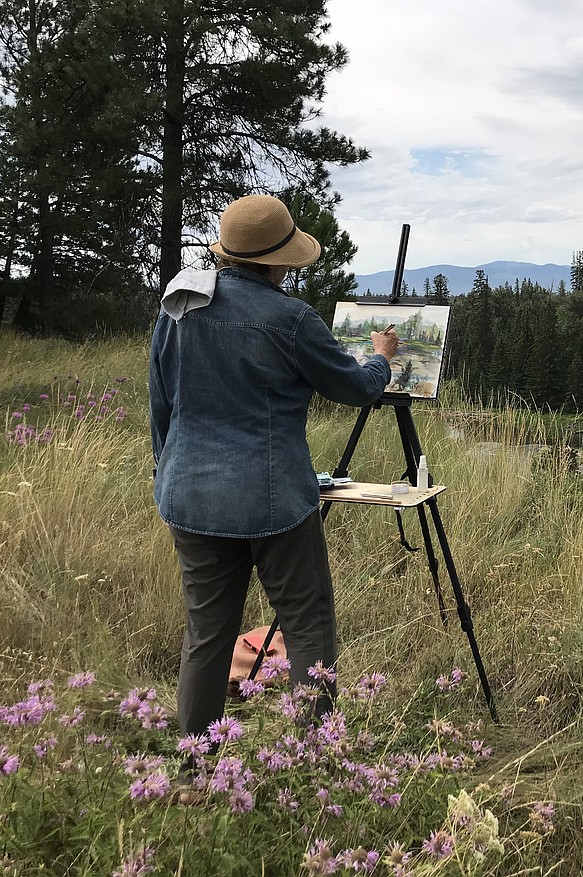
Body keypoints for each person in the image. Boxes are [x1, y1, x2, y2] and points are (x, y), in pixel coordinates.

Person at [149, 194, 399, 737]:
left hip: (188, 493)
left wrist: (164, 473)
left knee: (207, 634)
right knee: (308, 625)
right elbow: (355, 388)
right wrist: (381, 356)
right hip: (272, 498)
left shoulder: (177, 309)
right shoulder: (289, 319)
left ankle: (195, 767)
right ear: (279, 260)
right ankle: (313, 765)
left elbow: (162, 405)